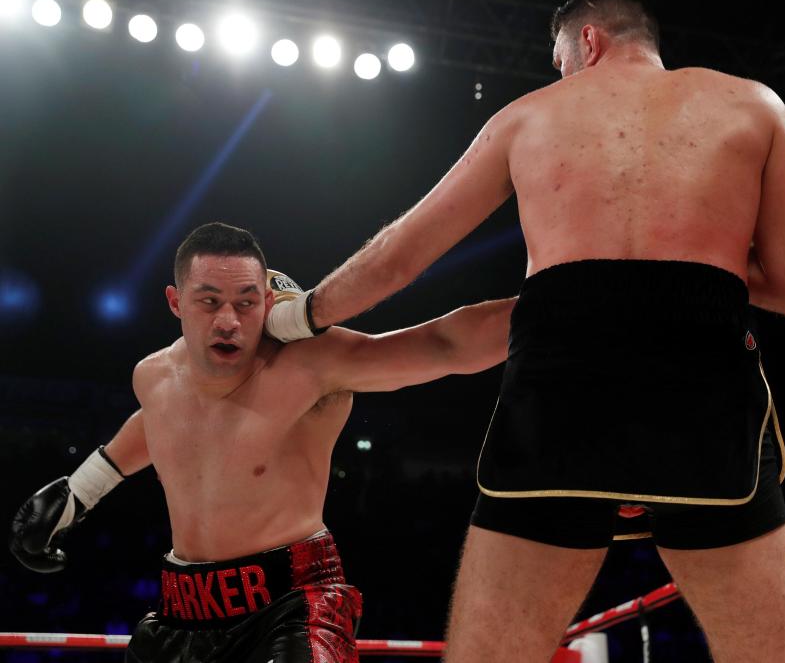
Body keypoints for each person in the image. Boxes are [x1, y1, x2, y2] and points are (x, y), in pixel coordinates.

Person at [264, 0, 785, 661]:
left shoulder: (529, 115)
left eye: (558, 58)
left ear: (587, 41)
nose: (557, 73)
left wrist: (303, 314)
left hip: (561, 375)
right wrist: (710, 261)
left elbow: (402, 253)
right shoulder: (753, 104)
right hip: (705, 382)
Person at [9, 222, 514, 663]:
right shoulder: (155, 377)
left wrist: (559, 307)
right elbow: (167, 425)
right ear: (175, 301)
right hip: (181, 610)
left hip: (293, 604)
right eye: (209, 301)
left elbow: (442, 345)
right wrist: (81, 490)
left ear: (268, 303)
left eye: (246, 303)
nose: (228, 321)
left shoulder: (312, 364)